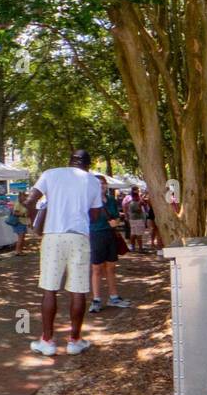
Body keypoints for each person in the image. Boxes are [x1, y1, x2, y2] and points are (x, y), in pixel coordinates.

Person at [18, 150, 99, 356]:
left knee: (49, 289)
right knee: (78, 290)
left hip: (53, 235)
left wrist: (36, 219)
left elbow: (29, 201)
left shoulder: (50, 173)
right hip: (79, 236)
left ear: (70, 161)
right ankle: (74, 340)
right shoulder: (93, 181)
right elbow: (96, 213)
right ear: (87, 165)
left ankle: (47, 341)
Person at [89, 170, 130, 310]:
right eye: (98, 184)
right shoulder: (88, 201)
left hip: (110, 235)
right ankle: (96, 299)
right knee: (96, 269)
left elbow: (116, 216)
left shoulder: (111, 200)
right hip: (96, 235)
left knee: (111, 268)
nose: (101, 186)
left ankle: (113, 297)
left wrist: (117, 222)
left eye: (103, 184)